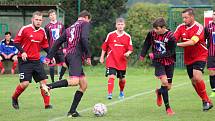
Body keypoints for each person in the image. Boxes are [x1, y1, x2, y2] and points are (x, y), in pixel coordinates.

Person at [44, 10, 92, 117]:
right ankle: (48, 86)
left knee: (83, 85)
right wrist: (88, 55)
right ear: (86, 17)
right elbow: (84, 38)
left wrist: (49, 56)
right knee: (75, 81)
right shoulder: (85, 23)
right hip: (75, 56)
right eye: (89, 20)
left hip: (68, 55)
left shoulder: (69, 28)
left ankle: (72, 111)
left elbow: (57, 42)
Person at [11, 11, 52, 110]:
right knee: (25, 84)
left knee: (44, 82)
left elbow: (45, 45)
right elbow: (16, 42)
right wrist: (23, 51)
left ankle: (47, 105)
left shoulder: (42, 31)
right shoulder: (25, 29)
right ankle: (14, 97)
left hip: (36, 61)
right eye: (36, 19)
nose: (38, 21)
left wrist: (51, 55)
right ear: (32, 19)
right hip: (25, 60)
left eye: (40, 20)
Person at [174, 8, 213, 111]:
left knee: (197, 77)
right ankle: (207, 100)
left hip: (200, 55)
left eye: (186, 17)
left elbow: (192, 42)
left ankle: (205, 101)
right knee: (193, 82)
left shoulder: (199, 27)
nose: (184, 20)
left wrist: (176, 44)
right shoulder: (180, 27)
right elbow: (173, 38)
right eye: (183, 18)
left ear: (192, 17)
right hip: (188, 57)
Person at [139, 17, 176, 116]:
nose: (155, 30)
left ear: (163, 27)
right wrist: (142, 54)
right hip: (158, 62)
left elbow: (171, 52)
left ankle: (159, 92)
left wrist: (155, 55)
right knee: (164, 82)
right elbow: (147, 43)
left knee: (167, 87)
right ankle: (168, 108)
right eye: (154, 28)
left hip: (169, 62)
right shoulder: (152, 33)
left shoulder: (171, 37)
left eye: (157, 29)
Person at [100, 18, 133, 100]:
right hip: (111, 60)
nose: (120, 26)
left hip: (122, 61)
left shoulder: (127, 36)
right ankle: (109, 94)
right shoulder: (110, 35)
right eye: (118, 24)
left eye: (122, 24)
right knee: (111, 76)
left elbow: (130, 49)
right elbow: (104, 47)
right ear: (116, 25)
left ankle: (121, 92)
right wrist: (101, 57)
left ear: (124, 25)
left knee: (122, 79)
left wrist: (128, 53)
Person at [45, 9, 67, 82]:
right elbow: (46, 39)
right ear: (49, 17)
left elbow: (65, 37)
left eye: (53, 14)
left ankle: (60, 77)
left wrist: (65, 47)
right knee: (52, 66)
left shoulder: (61, 25)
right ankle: (52, 81)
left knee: (64, 65)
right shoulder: (47, 26)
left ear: (56, 15)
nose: (52, 16)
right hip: (52, 49)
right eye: (51, 15)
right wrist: (48, 50)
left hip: (60, 49)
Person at [205, 10, 215, 98]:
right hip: (211, 53)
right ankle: (213, 91)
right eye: (214, 14)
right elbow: (203, 39)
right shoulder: (208, 27)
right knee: (212, 73)